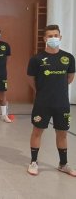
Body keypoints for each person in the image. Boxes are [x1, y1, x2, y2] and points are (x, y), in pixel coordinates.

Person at [27, 24, 76, 176]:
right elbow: (30, 79)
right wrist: (42, 92)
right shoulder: (36, 59)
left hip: (62, 103)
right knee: (37, 131)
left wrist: (57, 90)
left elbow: (70, 78)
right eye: (50, 36)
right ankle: (34, 162)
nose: (53, 38)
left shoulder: (68, 58)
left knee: (62, 133)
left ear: (60, 37)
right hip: (43, 103)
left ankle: (63, 164)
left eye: (56, 35)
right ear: (44, 39)